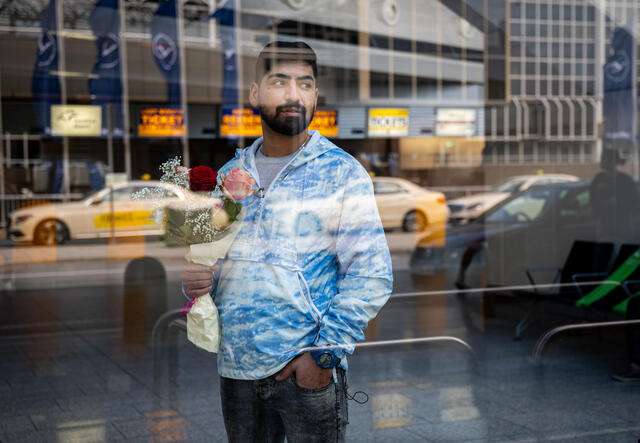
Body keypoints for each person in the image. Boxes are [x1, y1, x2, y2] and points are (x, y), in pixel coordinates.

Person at [181, 41, 393, 442]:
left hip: (304, 375)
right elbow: (211, 262)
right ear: (255, 93)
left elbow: (372, 275)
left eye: (305, 84)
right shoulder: (229, 175)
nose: (293, 94)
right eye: (279, 82)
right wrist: (195, 281)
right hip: (237, 373)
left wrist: (323, 356)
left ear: (315, 96)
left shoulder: (341, 173)